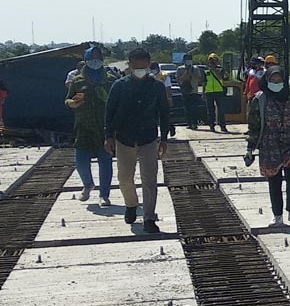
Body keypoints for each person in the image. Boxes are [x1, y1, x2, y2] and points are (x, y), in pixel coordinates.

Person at [104, 48, 170, 234]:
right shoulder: (119, 86)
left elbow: (164, 113)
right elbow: (109, 113)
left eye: (143, 66)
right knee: (125, 178)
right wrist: (108, 136)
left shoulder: (156, 87)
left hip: (148, 138)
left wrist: (164, 139)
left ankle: (149, 217)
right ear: (130, 65)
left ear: (149, 65)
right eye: (136, 66)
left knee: (149, 179)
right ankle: (131, 204)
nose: (140, 69)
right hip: (124, 138)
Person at [246, 66, 290, 227]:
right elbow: (254, 124)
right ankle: (277, 216)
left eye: (279, 79)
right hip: (269, 144)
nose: (276, 82)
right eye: (272, 79)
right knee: (274, 180)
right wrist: (250, 147)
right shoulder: (259, 99)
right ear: (267, 80)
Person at [66, 46, 117, 206]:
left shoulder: (110, 80)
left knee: (105, 161)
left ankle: (104, 194)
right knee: (81, 160)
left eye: (98, 58)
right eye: (91, 58)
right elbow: (68, 99)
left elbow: (118, 102)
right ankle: (88, 184)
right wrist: (72, 104)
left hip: (104, 127)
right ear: (86, 60)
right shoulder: (77, 80)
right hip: (83, 126)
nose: (95, 61)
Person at [176, 53, 205, 130]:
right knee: (187, 109)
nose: (188, 61)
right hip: (185, 91)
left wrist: (191, 73)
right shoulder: (180, 69)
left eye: (189, 60)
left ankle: (195, 123)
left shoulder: (195, 69)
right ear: (184, 61)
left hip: (194, 91)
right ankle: (189, 123)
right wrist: (185, 74)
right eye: (187, 60)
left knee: (194, 108)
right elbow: (178, 79)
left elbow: (199, 79)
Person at [204, 53, 229, 133]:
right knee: (210, 110)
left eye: (214, 60)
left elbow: (222, 78)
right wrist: (203, 92)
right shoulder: (206, 70)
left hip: (219, 92)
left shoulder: (221, 69)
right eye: (211, 61)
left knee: (221, 110)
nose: (212, 63)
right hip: (209, 92)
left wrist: (215, 70)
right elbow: (204, 82)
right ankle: (211, 125)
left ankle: (222, 125)